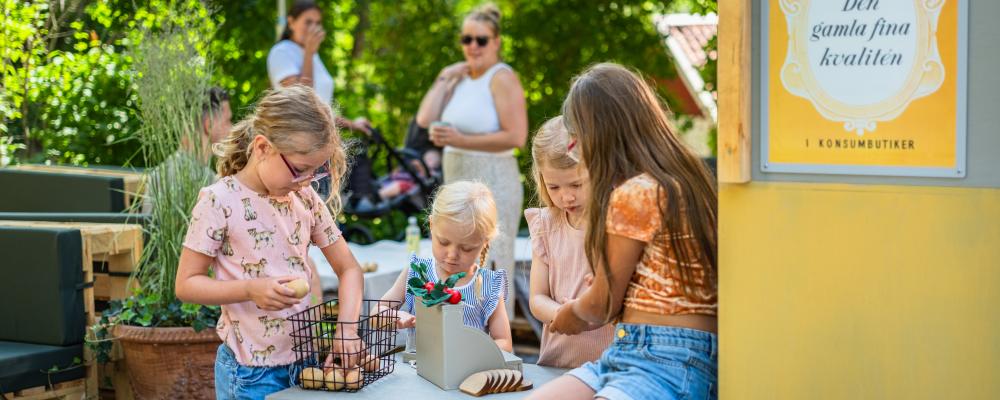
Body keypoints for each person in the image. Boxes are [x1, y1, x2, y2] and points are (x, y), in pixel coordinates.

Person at [527, 64, 719, 400]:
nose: (574, 147)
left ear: (601, 134)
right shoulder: (691, 183)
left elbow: (599, 305)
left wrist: (569, 314)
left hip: (664, 360)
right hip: (636, 351)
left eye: (576, 137)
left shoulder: (635, 194)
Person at [175, 85, 365, 399]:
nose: (306, 181)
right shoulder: (219, 201)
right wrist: (250, 290)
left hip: (304, 362)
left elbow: (349, 270)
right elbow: (186, 284)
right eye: (300, 170)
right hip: (250, 374)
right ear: (263, 147)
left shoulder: (304, 199)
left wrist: (346, 329)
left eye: (315, 173)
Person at [414, 3, 527, 315]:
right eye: (467, 39)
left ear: (496, 42)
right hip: (458, 177)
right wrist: (443, 77)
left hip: (494, 177)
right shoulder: (458, 78)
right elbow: (425, 119)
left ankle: (497, 337)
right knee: (455, 257)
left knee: (492, 259)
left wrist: (461, 140)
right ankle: (459, 328)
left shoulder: (501, 77)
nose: (473, 47)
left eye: (481, 40)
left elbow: (516, 136)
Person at [378, 180, 513, 352]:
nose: (452, 255)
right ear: (432, 225)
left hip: (466, 375)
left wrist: (472, 351)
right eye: (443, 242)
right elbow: (377, 313)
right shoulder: (418, 274)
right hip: (418, 373)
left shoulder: (488, 285)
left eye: (466, 248)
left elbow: (504, 343)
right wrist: (395, 316)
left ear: (484, 242)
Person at [524, 116, 613, 368]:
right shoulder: (545, 225)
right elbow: (537, 297)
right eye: (554, 187)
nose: (566, 196)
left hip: (609, 364)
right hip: (557, 361)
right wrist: (564, 315)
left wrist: (584, 312)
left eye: (576, 184)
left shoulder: (614, 222)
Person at [141, 87, 231, 214]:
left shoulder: (159, 173)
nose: (231, 128)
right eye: (227, 121)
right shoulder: (207, 182)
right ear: (209, 125)